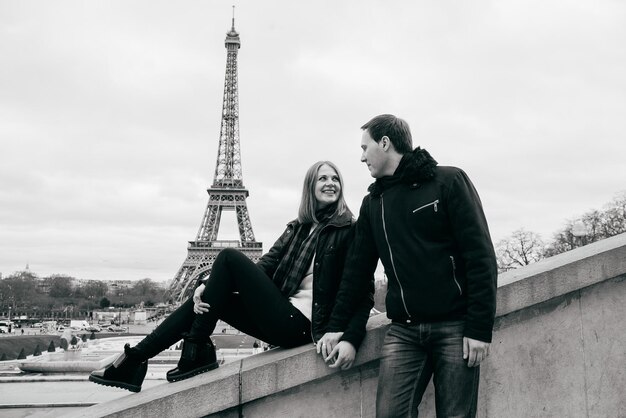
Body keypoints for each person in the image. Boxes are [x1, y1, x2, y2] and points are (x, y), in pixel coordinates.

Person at [90, 161, 373, 393]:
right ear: (310, 187)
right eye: (322, 178)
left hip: (303, 325)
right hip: (281, 316)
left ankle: (196, 348)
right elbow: (263, 267)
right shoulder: (297, 228)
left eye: (335, 178)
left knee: (227, 256)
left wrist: (349, 336)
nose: (330, 183)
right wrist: (206, 285)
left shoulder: (350, 229)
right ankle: (137, 359)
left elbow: (361, 291)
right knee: (208, 298)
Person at [324, 114, 497, 417]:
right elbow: (356, 272)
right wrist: (338, 326)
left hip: (455, 327)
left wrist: (480, 328)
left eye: (365, 147)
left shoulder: (449, 181)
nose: (361, 156)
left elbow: (480, 256)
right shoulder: (373, 203)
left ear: (385, 143)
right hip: (403, 332)